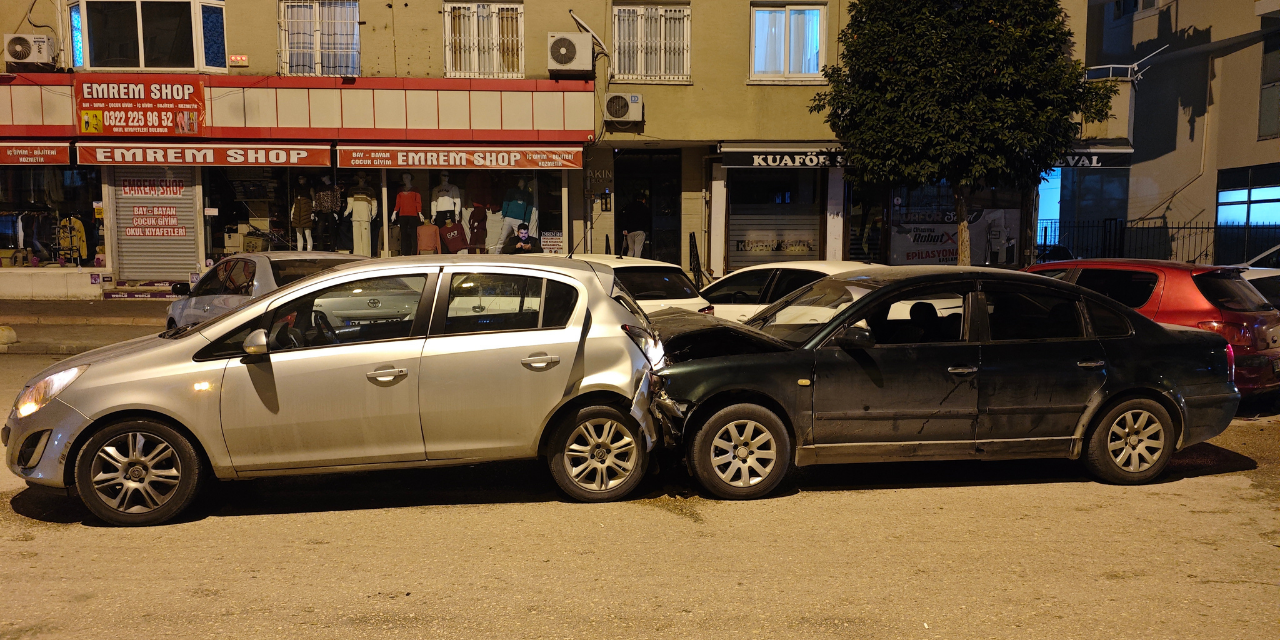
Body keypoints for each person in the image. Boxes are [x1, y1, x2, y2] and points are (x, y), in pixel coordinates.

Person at [619, 192, 649, 257]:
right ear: (644, 200)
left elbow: (624, 217)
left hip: (629, 231)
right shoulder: (645, 208)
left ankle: (629, 263)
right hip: (640, 231)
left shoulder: (629, 207)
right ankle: (636, 264)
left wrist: (624, 228)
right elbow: (647, 220)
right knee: (638, 250)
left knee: (630, 250)